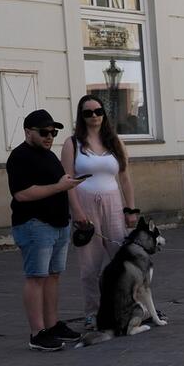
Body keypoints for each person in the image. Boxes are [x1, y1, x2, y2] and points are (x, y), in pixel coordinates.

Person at [8, 110, 83, 351]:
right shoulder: (20, 157)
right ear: (28, 132)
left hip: (59, 224)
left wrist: (70, 188)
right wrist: (59, 186)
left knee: (53, 276)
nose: (50, 136)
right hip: (35, 224)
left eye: (53, 132)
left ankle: (52, 325)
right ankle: (37, 332)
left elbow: (60, 184)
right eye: (44, 132)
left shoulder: (49, 156)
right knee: (36, 277)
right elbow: (22, 193)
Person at [61, 94, 138, 329]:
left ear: (104, 114)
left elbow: (124, 178)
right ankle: (92, 313)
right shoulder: (72, 143)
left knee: (123, 260)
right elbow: (67, 180)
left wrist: (131, 209)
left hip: (113, 204)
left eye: (98, 111)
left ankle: (128, 307)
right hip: (85, 205)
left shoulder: (115, 142)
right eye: (88, 112)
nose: (94, 116)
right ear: (81, 116)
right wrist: (77, 212)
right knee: (89, 266)